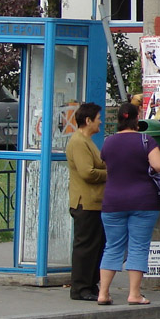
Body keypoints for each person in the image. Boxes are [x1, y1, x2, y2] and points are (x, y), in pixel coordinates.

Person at [97, 102, 160, 305]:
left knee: (112, 247)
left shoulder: (108, 142)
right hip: (143, 202)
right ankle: (134, 294)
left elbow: (105, 162)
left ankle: (103, 293)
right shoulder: (146, 140)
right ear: (137, 119)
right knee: (138, 246)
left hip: (112, 202)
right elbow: (159, 165)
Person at [65, 102, 106, 301]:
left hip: (95, 201)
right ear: (88, 120)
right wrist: (110, 173)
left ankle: (90, 284)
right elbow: (87, 173)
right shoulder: (78, 142)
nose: (101, 121)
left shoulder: (88, 140)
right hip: (85, 202)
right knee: (86, 246)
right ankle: (80, 287)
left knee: (96, 245)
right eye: (98, 118)